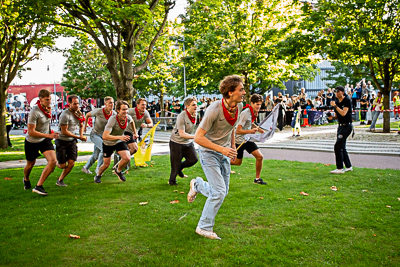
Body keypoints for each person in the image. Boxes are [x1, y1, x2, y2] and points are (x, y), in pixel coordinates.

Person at [187, 75, 245, 240]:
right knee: (219, 192)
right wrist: (222, 149)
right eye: (240, 89)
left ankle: (197, 184)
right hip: (208, 152)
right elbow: (198, 138)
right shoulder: (214, 110)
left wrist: (232, 147)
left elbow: (232, 127)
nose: (244, 92)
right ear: (230, 92)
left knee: (222, 192)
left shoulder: (238, 107)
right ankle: (203, 227)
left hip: (224, 151)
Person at [23, 89, 60, 195]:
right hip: (32, 141)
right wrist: (48, 135)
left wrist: (51, 133)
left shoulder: (48, 108)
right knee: (30, 164)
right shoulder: (34, 112)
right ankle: (26, 179)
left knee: (52, 161)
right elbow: (31, 131)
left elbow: (47, 123)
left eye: (50, 99)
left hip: (44, 140)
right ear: (40, 99)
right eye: (47, 99)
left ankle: (39, 186)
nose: (49, 101)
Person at [93, 100, 138, 183]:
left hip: (119, 141)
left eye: (127, 109)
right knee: (106, 164)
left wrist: (135, 133)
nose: (126, 111)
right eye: (123, 110)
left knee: (127, 158)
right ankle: (98, 175)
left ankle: (118, 171)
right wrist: (120, 137)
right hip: (108, 143)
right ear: (118, 110)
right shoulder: (113, 120)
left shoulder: (128, 117)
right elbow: (105, 136)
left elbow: (132, 123)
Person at [231, 94, 266, 184]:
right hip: (240, 140)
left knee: (260, 157)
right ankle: (222, 162)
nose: (258, 106)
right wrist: (251, 131)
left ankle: (257, 179)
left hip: (247, 139)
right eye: (257, 104)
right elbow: (238, 130)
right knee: (237, 162)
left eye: (260, 104)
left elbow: (251, 123)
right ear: (251, 103)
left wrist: (260, 130)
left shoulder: (252, 112)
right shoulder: (246, 113)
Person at [55, 95, 87, 187]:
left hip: (72, 141)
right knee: (62, 166)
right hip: (61, 140)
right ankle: (53, 162)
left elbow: (81, 125)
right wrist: (78, 137)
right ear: (69, 104)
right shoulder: (65, 115)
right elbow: (64, 131)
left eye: (78, 103)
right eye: (74, 104)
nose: (77, 105)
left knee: (71, 163)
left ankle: (60, 180)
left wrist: (81, 135)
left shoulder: (78, 113)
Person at [168, 97, 199, 186]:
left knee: (193, 159)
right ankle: (172, 181)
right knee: (175, 163)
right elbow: (181, 134)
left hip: (188, 142)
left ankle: (179, 168)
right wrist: (195, 137)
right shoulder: (181, 116)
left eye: (196, 105)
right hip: (176, 142)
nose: (196, 107)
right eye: (193, 105)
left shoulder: (195, 114)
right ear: (187, 106)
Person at [82, 96, 116, 175]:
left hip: (104, 136)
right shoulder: (98, 111)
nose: (112, 104)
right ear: (105, 104)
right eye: (110, 103)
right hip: (95, 135)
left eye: (113, 102)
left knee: (96, 155)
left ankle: (85, 168)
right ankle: (98, 168)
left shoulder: (113, 113)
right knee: (104, 149)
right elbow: (87, 115)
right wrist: (85, 126)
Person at [119, 98, 153, 169]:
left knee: (130, 149)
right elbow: (119, 116)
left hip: (135, 133)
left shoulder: (145, 113)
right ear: (137, 105)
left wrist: (146, 125)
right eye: (142, 105)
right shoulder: (131, 111)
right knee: (134, 148)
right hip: (126, 131)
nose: (144, 106)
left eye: (145, 105)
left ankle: (122, 162)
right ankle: (123, 161)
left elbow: (151, 123)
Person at [327, 86, 353, 174]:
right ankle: (348, 166)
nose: (337, 94)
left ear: (342, 92)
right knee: (342, 146)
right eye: (336, 92)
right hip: (341, 126)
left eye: (338, 92)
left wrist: (335, 106)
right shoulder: (337, 102)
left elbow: (343, 113)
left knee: (337, 146)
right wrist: (332, 117)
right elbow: (338, 115)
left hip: (347, 126)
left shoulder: (347, 100)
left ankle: (340, 168)